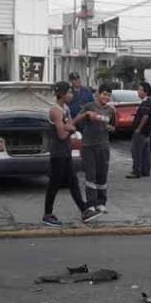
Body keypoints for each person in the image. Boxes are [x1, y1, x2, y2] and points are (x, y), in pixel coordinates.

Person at [43, 81, 99, 226]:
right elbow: (62, 134)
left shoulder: (65, 108)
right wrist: (71, 129)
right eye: (69, 92)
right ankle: (47, 214)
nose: (71, 95)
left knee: (73, 182)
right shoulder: (56, 111)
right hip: (57, 153)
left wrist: (69, 126)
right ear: (62, 94)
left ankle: (84, 210)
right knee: (54, 184)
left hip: (66, 151)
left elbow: (70, 124)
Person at [75, 83, 115, 213]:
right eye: (104, 94)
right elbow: (77, 121)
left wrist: (111, 128)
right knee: (90, 176)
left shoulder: (111, 110)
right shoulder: (89, 106)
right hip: (88, 146)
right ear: (98, 94)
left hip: (103, 146)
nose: (106, 97)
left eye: (108, 95)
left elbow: (114, 127)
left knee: (102, 175)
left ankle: (101, 202)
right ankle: (91, 203)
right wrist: (87, 115)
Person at [127, 81, 151, 179]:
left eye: (140, 89)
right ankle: (145, 170)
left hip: (141, 132)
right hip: (146, 132)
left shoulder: (146, 103)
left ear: (145, 92)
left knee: (137, 152)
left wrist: (138, 128)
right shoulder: (148, 103)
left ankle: (136, 171)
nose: (138, 92)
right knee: (145, 152)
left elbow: (145, 116)